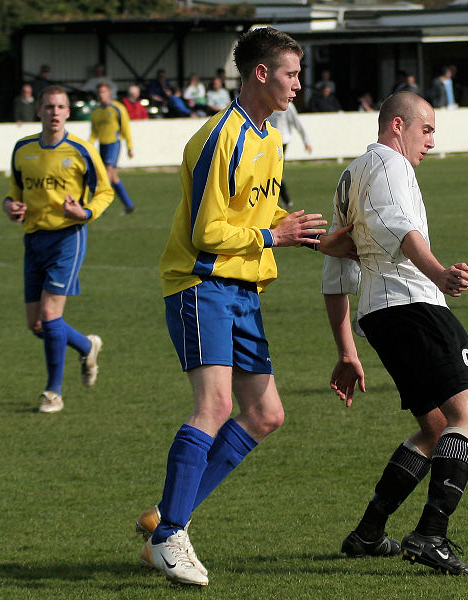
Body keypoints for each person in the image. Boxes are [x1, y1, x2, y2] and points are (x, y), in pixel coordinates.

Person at [134, 26, 355, 587]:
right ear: (261, 74)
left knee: (265, 415)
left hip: (243, 288)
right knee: (213, 405)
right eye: (291, 74)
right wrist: (273, 237)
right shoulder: (218, 138)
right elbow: (207, 231)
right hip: (200, 283)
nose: (298, 85)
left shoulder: (269, 138)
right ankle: (168, 539)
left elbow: (269, 213)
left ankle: (169, 515)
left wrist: (317, 239)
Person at [322, 92, 468, 577]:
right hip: (413, 304)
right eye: (427, 130)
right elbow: (401, 229)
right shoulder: (392, 167)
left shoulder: (350, 176)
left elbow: (335, 268)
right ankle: (430, 536)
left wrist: (346, 350)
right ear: (399, 125)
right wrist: (438, 273)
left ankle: (369, 532)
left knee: (437, 428)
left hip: (378, 314)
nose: (431, 142)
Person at [2, 85, 113, 413]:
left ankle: (53, 393)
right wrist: (11, 206)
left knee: (51, 316)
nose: (54, 112)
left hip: (68, 237)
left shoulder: (82, 149)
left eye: (60, 107)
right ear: (39, 110)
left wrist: (86, 212)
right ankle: (86, 345)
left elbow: (104, 191)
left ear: (68, 112)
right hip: (33, 239)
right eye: (48, 106)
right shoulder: (23, 149)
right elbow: (15, 190)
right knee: (37, 325)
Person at [90, 82, 136, 215]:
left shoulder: (118, 108)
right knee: (114, 178)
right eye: (99, 92)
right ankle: (129, 205)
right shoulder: (96, 112)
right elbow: (94, 133)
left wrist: (130, 147)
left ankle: (100, 205)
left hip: (114, 144)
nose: (101, 95)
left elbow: (125, 128)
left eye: (104, 92)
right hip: (102, 146)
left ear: (109, 93)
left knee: (106, 174)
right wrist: (87, 146)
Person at [267, 101, 313, 209]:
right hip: (268, 141)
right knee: (270, 171)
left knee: (276, 172)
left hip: (282, 141)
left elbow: (297, 123)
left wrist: (306, 141)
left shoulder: (288, 106)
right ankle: (279, 201)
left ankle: (285, 201)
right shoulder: (267, 102)